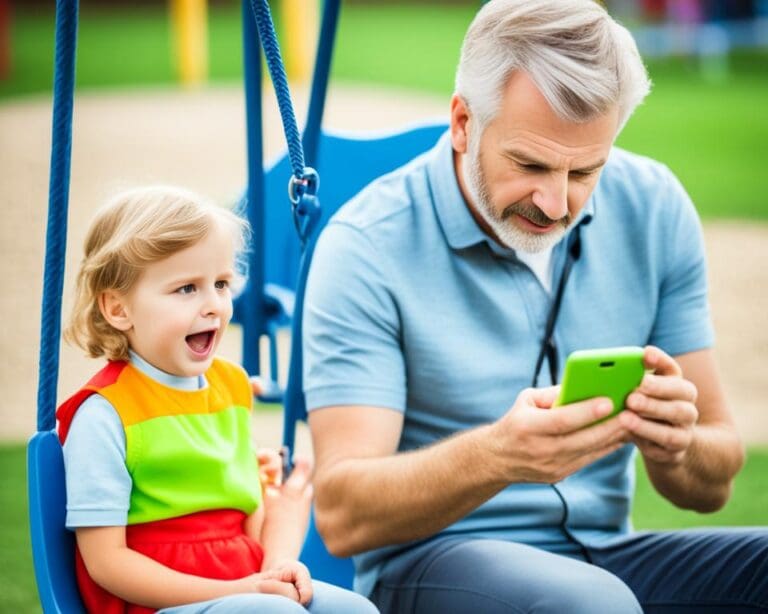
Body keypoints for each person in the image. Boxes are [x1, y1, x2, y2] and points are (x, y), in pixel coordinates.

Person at [302, 1, 768, 612]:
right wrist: (497, 455)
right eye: (531, 164)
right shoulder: (368, 244)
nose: (554, 204)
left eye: (585, 172)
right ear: (464, 122)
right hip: (431, 563)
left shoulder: (654, 205)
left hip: (607, 555)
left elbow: (714, 480)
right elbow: (342, 515)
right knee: (590, 602)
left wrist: (678, 445)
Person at [58, 187, 378, 614]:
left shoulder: (228, 389)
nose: (214, 305)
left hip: (241, 586)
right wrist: (238, 592)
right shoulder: (105, 414)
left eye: (222, 284)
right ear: (119, 309)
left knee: (354, 610)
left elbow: (248, 519)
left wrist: (279, 559)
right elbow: (107, 564)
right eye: (187, 288)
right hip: (157, 602)